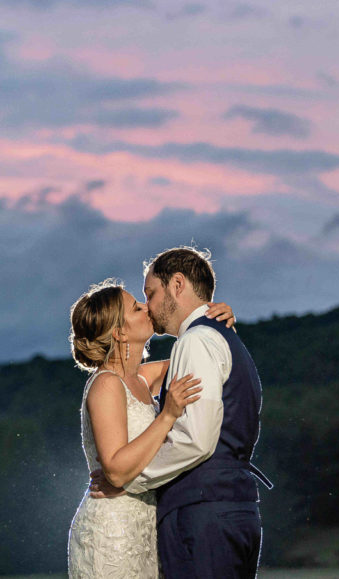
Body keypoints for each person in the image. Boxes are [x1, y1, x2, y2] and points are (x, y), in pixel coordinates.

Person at [90, 246, 272, 579]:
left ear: (177, 285)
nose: (148, 306)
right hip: (230, 508)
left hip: (202, 512)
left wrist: (130, 482)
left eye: (150, 293)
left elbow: (196, 441)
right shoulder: (217, 339)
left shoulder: (197, 342)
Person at [66, 278, 237, 578]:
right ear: (119, 332)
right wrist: (167, 415)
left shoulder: (140, 378)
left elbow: (199, 357)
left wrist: (218, 324)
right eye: (136, 307)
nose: (147, 308)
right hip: (112, 534)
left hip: (144, 529)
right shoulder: (106, 384)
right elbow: (117, 471)